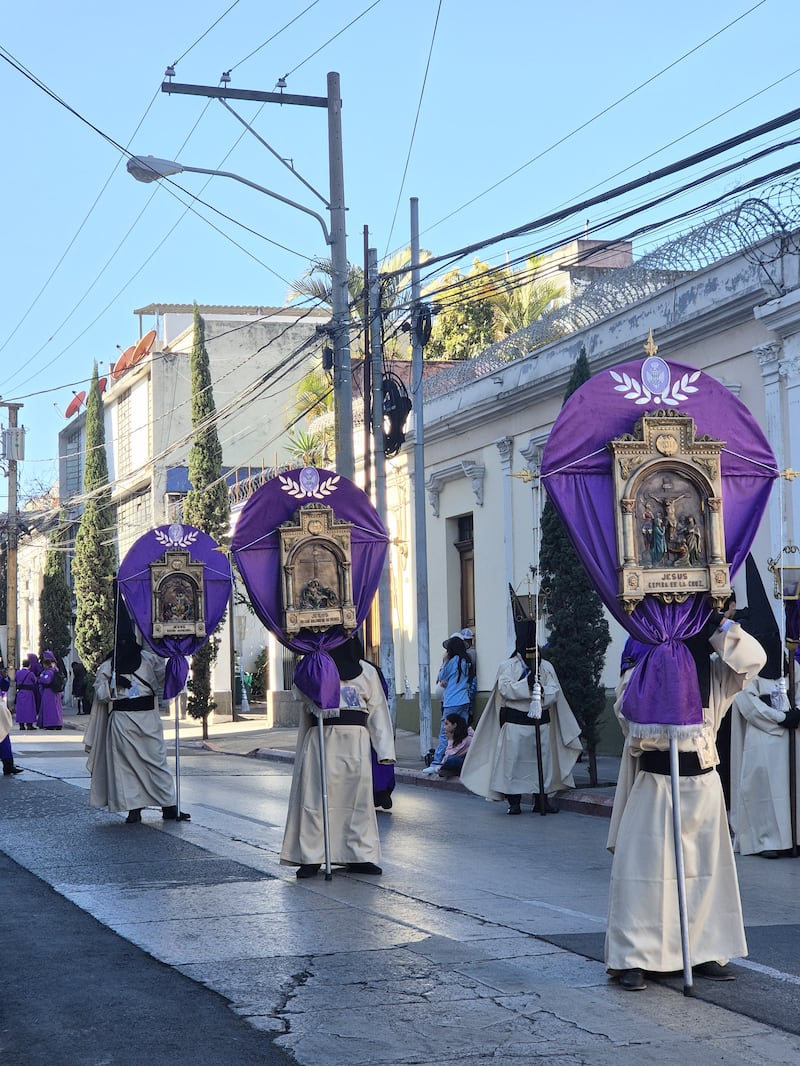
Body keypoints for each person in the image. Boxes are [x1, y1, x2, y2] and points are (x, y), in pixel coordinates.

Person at [605, 603, 766, 991]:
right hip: (656, 782)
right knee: (645, 876)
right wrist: (660, 661)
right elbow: (626, 714)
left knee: (705, 876)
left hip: (704, 782)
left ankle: (703, 949)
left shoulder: (716, 674)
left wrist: (716, 624)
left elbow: (753, 659)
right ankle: (634, 957)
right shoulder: (640, 664)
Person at [280, 635, 396, 879]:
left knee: (358, 802)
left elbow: (378, 711)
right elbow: (299, 693)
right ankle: (312, 856)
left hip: (356, 743)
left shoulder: (367, 672)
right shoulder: (313, 668)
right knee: (316, 800)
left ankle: (358, 854)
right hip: (322, 739)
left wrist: (385, 751)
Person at [84, 593, 188, 824]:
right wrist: (113, 686)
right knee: (126, 768)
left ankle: (169, 806)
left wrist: (177, 658)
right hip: (122, 722)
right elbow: (99, 695)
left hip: (148, 719)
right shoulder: (109, 666)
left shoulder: (150, 660)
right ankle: (134, 808)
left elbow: (165, 679)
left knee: (157, 763)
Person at [460, 621, 583, 815]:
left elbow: (554, 691)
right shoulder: (507, 666)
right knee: (513, 765)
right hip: (515, 726)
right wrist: (526, 685)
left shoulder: (546, 667)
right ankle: (514, 802)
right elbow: (505, 689)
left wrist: (541, 690)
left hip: (540, 724)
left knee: (543, 764)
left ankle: (541, 800)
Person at [423, 634, 475, 775]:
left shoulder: (452, 661)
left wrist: (444, 662)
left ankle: (437, 762)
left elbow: (441, 678)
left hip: (451, 701)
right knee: (463, 731)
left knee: (445, 732)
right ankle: (465, 757)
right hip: (464, 701)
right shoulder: (466, 661)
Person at [436, 712, 475, 778]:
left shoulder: (467, 738)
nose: (444, 727)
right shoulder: (458, 735)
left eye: (446, 724)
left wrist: (450, 740)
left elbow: (452, 754)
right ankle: (448, 771)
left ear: (454, 725)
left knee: (452, 760)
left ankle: (450, 771)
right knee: (448, 760)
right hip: (463, 761)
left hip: (471, 765)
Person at [38, 652, 64, 730]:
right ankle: (58, 723)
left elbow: (46, 680)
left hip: (49, 692)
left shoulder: (49, 671)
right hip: (56, 692)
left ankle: (51, 724)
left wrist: (41, 678)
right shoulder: (56, 669)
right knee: (57, 708)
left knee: (50, 708)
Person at [15, 654, 40, 731]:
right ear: (29, 665)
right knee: (29, 709)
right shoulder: (30, 673)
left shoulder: (18, 673)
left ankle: (21, 725)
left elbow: (16, 680)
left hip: (20, 692)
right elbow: (35, 681)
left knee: (20, 709)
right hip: (29, 692)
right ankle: (29, 725)